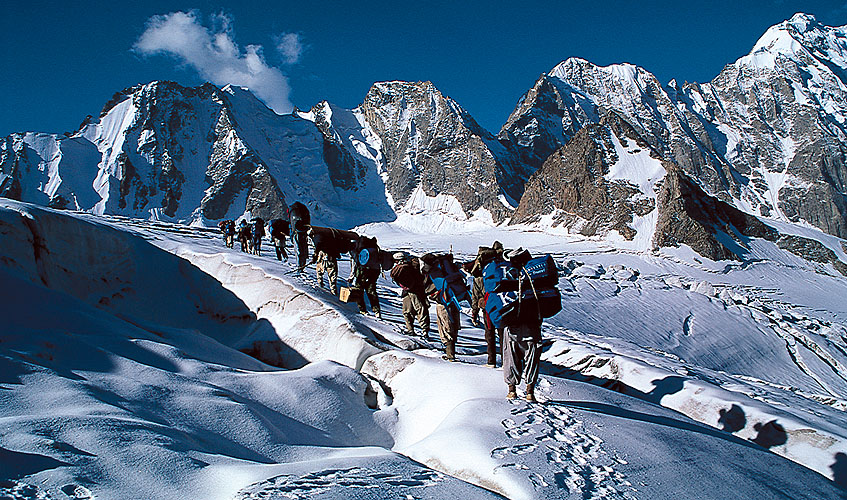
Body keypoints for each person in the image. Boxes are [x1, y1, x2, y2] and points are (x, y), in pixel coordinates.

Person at [501, 247, 543, 402]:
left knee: (510, 358)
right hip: (532, 326)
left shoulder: (509, 276)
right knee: (532, 359)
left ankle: (511, 390)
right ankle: (530, 391)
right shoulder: (536, 277)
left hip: (513, 326)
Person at [389, 252, 430, 338]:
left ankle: (412, 329)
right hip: (416, 290)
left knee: (410, 310)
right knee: (420, 310)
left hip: (412, 291)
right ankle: (424, 331)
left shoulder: (405, 267)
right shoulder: (411, 266)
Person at [429, 282, 460, 361]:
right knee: (452, 328)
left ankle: (450, 355)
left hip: (443, 305)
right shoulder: (451, 274)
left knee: (446, 330)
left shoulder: (436, 276)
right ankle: (451, 353)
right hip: (454, 302)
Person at [353, 236, 381, 318]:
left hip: (361, 274)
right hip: (373, 273)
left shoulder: (358, 251)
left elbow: (355, 264)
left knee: (359, 292)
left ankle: (363, 310)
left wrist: (352, 276)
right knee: (372, 291)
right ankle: (376, 311)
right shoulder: (374, 250)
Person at [289, 202, 311, 271]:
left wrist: (291, 236)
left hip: (296, 233)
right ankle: (302, 265)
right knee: (303, 248)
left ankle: (299, 266)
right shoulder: (303, 211)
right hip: (303, 232)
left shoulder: (293, 213)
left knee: (298, 249)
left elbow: (291, 226)